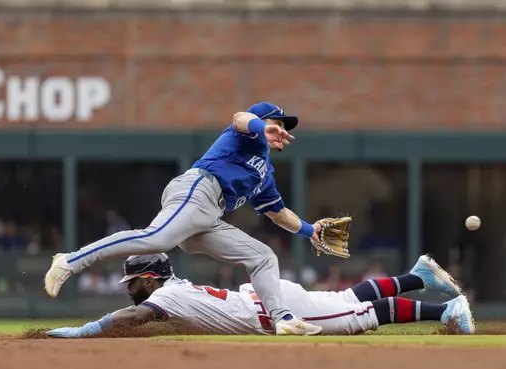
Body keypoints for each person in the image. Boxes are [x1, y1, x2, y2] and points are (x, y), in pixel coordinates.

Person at [45, 102, 332, 335]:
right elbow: (239, 117)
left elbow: (278, 213)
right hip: (198, 190)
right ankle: (69, 261)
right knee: (153, 239)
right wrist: (262, 126)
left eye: (283, 127)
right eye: (278, 124)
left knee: (263, 256)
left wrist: (310, 231)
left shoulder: (265, 174)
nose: (281, 131)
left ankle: (282, 319)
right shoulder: (249, 136)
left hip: (210, 215)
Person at [46, 253, 475, 338]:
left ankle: (445, 311)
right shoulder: (172, 291)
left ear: (151, 279)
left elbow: (134, 319)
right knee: (346, 298)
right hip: (267, 301)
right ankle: (418, 276)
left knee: (358, 314)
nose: (132, 290)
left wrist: (90, 328)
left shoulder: (167, 297)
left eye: (134, 283)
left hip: (270, 311)